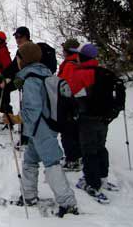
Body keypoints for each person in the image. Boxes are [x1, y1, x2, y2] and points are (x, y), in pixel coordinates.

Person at [12, 42, 78, 217]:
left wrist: (18, 118)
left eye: (18, 57)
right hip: (42, 127)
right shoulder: (45, 73)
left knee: (51, 163)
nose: (17, 61)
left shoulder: (31, 79)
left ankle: (68, 203)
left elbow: (33, 108)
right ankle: (28, 196)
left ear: (23, 60)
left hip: (41, 128)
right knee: (30, 160)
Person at [65, 43, 118, 204]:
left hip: (87, 118)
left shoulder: (80, 74)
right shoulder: (105, 72)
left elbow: (70, 94)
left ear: (82, 57)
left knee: (88, 150)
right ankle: (102, 177)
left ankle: (92, 183)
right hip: (104, 118)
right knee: (100, 147)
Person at [57, 38, 82, 172]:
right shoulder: (80, 61)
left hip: (68, 102)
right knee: (75, 131)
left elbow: (65, 84)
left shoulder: (70, 65)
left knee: (67, 132)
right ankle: (77, 156)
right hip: (78, 102)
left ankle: (72, 160)